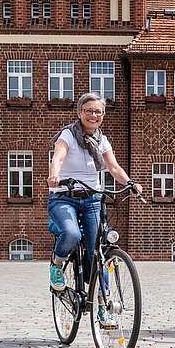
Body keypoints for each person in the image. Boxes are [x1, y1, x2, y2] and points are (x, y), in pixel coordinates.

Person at [47, 93, 136, 318]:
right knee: (72, 234)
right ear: (80, 113)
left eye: (98, 112)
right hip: (64, 196)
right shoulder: (68, 135)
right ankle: (57, 265)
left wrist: (130, 183)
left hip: (93, 199)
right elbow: (58, 157)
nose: (93, 115)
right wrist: (54, 175)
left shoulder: (102, 140)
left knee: (98, 252)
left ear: (103, 115)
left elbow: (113, 167)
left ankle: (102, 305)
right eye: (89, 111)